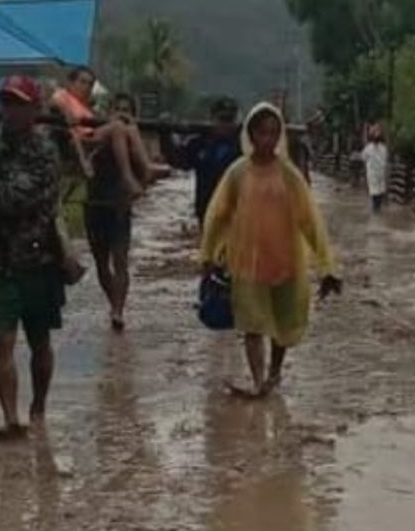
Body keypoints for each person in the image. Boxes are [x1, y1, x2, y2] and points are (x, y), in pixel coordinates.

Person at [201, 102, 342, 398]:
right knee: (252, 325)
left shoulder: (289, 175)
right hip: (247, 262)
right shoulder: (237, 173)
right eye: (261, 132)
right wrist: (208, 255)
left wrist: (327, 266)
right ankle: (257, 380)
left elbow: (310, 221)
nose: (266, 139)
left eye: (272, 133)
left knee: (282, 325)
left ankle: (275, 372)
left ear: (279, 136)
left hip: (285, 260)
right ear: (250, 134)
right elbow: (218, 216)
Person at [0, 76, 64, 440]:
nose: (11, 111)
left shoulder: (45, 152)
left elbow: (20, 200)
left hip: (38, 262)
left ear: (34, 109)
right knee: (2, 340)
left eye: (19, 104)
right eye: (6, 103)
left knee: (40, 340)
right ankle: (10, 417)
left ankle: (38, 406)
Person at [51, 66, 167, 199]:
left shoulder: (86, 105)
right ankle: (127, 178)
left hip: (93, 137)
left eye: (90, 84)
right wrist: (66, 112)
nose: (86, 87)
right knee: (117, 126)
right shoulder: (64, 95)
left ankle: (146, 166)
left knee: (129, 127)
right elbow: (56, 101)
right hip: (77, 141)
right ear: (70, 83)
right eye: (82, 82)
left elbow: (96, 122)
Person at [86, 92, 144, 332]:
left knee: (120, 260)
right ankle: (114, 303)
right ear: (109, 112)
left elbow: (144, 176)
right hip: (95, 205)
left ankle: (118, 309)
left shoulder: (134, 142)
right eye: (117, 108)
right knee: (101, 263)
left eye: (126, 110)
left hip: (119, 207)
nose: (121, 114)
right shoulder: (99, 135)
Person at [162, 96, 242, 227]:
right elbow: (178, 160)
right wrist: (164, 136)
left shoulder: (243, 146)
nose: (225, 125)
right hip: (207, 212)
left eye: (229, 120)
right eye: (222, 119)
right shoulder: (200, 143)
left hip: (236, 214)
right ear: (212, 119)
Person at [361, 124, 390, 214]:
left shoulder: (383, 148)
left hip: (380, 173)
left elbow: (385, 161)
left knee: (380, 192)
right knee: (375, 193)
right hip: (373, 173)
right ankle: (376, 209)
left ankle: (377, 209)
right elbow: (363, 158)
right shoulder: (369, 148)